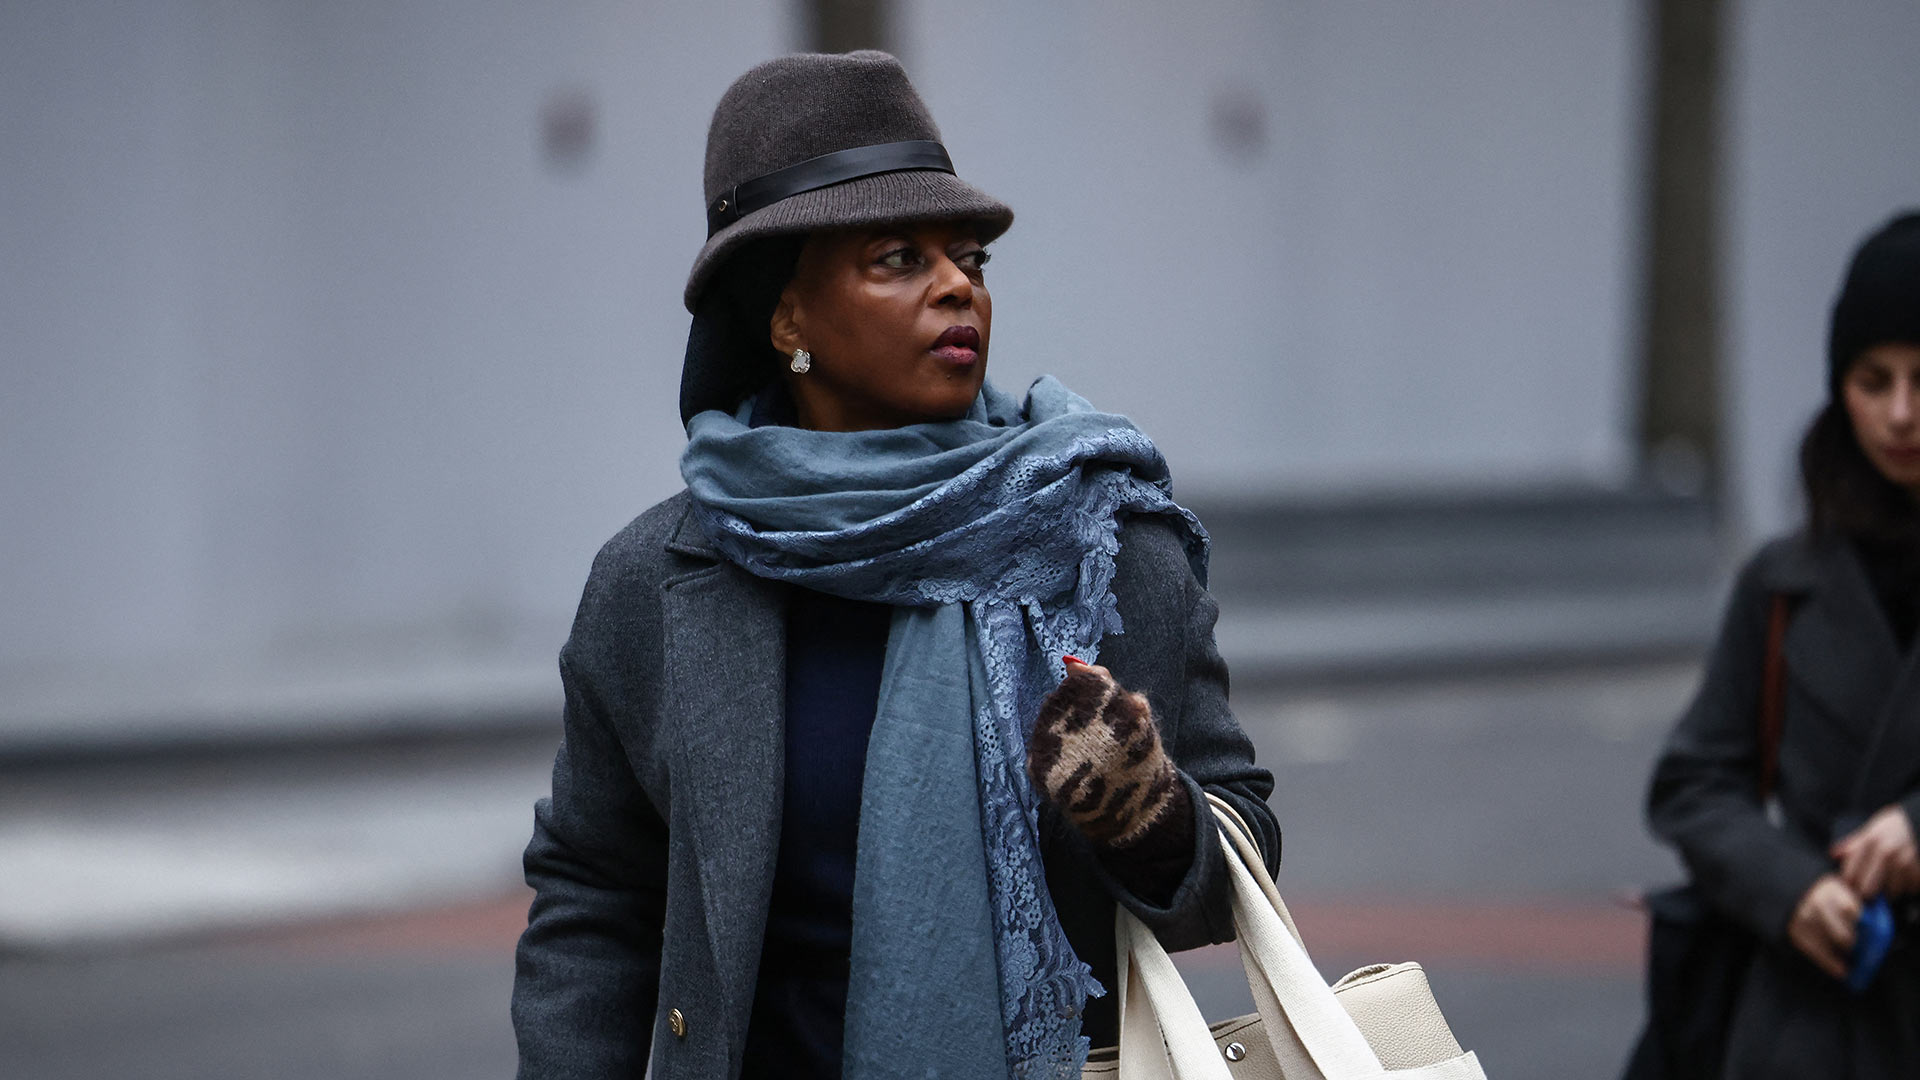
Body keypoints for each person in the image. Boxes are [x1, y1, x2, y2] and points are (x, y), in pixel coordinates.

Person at [509, 51, 1279, 1080]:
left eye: (969, 256)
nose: (957, 283)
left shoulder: (1096, 541)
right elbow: (596, 895)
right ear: (787, 318)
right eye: (898, 257)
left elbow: (1240, 862)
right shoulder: (655, 583)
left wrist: (1145, 811)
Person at [1647, 211, 1920, 1079]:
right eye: (1874, 380)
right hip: (1809, 1018)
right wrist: (1789, 888)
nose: (1901, 413)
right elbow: (1695, 783)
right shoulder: (1783, 580)